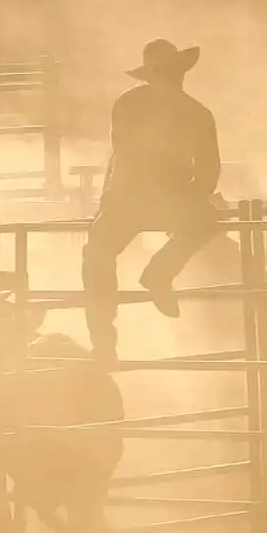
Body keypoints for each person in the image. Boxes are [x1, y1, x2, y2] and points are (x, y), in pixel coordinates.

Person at [81, 38, 222, 363]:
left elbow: (123, 153)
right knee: (207, 220)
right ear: (179, 74)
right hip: (166, 199)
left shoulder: (127, 104)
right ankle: (160, 272)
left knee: (97, 255)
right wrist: (194, 198)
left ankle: (103, 342)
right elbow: (208, 169)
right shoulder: (196, 112)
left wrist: (112, 197)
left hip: (128, 200)